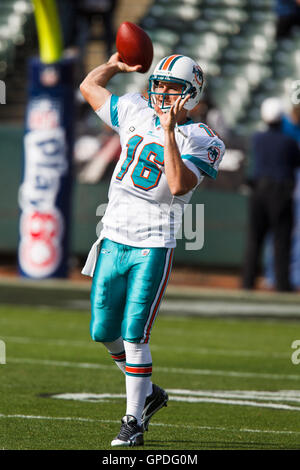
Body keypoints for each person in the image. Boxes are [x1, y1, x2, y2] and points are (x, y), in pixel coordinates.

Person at [79, 52, 225, 447]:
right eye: (157, 84)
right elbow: (88, 87)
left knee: (134, 334)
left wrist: (168, 132)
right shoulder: (133, 110)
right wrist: (114, 65)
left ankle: (133, 421)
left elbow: (178, 186)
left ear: (191, 95)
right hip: (112, 235)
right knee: (102, 332)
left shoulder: (203, 139)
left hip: (153, 242)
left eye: (171, 88)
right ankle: (149, 393)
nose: (161, 93)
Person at [242, 97, 300, 292]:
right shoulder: (289, 141)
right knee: (281, 240)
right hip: (281, 192)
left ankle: (247, 283)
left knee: (254, 239)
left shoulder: (257, 138)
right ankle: (282, 285)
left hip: (259, 190)